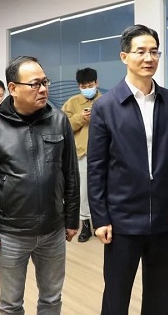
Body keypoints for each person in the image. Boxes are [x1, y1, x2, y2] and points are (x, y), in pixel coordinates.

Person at [87, 24, 168, 315]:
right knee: (116, 295)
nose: (149, 58)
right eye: (141, 51)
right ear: (124, 56)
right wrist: (100, 217)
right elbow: (96, 168)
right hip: (122, 220)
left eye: (154, 52)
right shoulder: (106, 106)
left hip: (163, 218)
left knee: (159, 295)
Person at [0, 56, 79, 315]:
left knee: (52, 298)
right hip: (11, 233)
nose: (43, 89)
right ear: (13, 88)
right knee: (11, 304)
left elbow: (70, 173)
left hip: (53, 230)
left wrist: (71, 218)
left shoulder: (59, 120)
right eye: (34, 84)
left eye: (45, 82)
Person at [61, 67, 102, 242]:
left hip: (103, 153)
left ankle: (102, 223)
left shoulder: (106, 101)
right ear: (79, 86)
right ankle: (85, 224)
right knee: (83, 191)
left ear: (96, 83)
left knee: (103, 190)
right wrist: (80, 118)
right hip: (81, 153)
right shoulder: (72, 103)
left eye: (90, 85)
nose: (87, 89)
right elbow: (62, 127)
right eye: (83, 86)